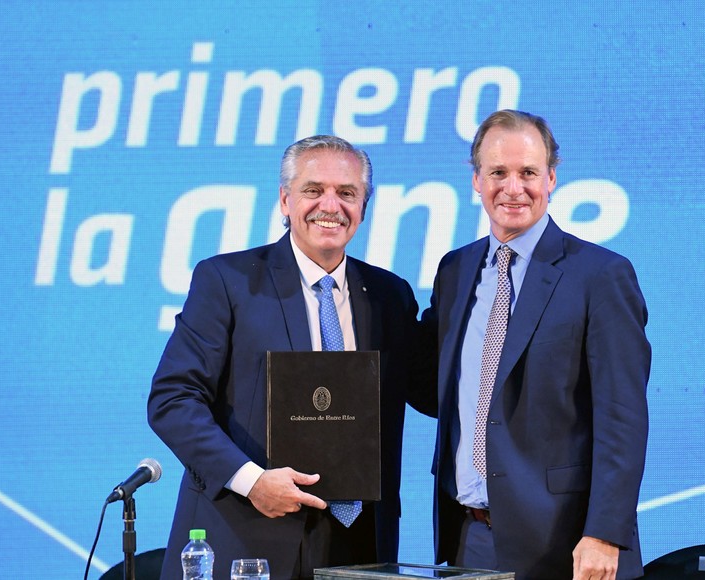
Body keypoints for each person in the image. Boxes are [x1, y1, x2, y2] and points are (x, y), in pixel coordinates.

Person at [148, 135, 424, 579]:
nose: (330, 205)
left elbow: (432, 390)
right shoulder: (228, 280)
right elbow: (173, 400)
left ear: (364, 207)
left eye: (347, 192)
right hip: (246, 534)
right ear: (285, 199)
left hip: (359, 546)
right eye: (313, 190)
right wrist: (251, 480)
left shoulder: (389, 296)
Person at [420, 110, 651, 579]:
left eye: (528, 172)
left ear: (551, 178)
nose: (513, 188)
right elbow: (434, 385)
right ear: (476, 180)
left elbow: (622, 417)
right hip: (471, 539)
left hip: (567, 545)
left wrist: (605, 533)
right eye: (498, 173)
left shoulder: (600, 275)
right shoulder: (455, 271)